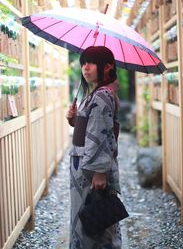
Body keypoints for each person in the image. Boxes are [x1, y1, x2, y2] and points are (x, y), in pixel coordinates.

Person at [66, 46, 122, 249]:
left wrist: (100, 171)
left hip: (91, 169)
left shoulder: (102, 96)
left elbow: (101, 134)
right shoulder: (96, 94)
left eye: (90, 62)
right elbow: (90, 128)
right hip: (84, 163)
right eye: (83, 62)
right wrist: (74, 119)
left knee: (93, 224)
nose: (85, 67)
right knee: (89, 219)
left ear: (107, 67)